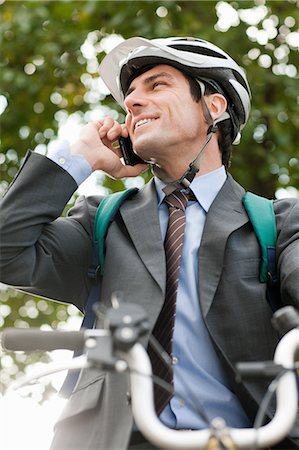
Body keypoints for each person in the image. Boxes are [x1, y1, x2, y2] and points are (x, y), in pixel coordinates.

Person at [0, 36, 298, 450]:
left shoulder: (279, 224)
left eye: (156, 85)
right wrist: (79, 157)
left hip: (248, 438)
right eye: (130, 95)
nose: (132, 102)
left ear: (214, 107)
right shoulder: (101, 222)